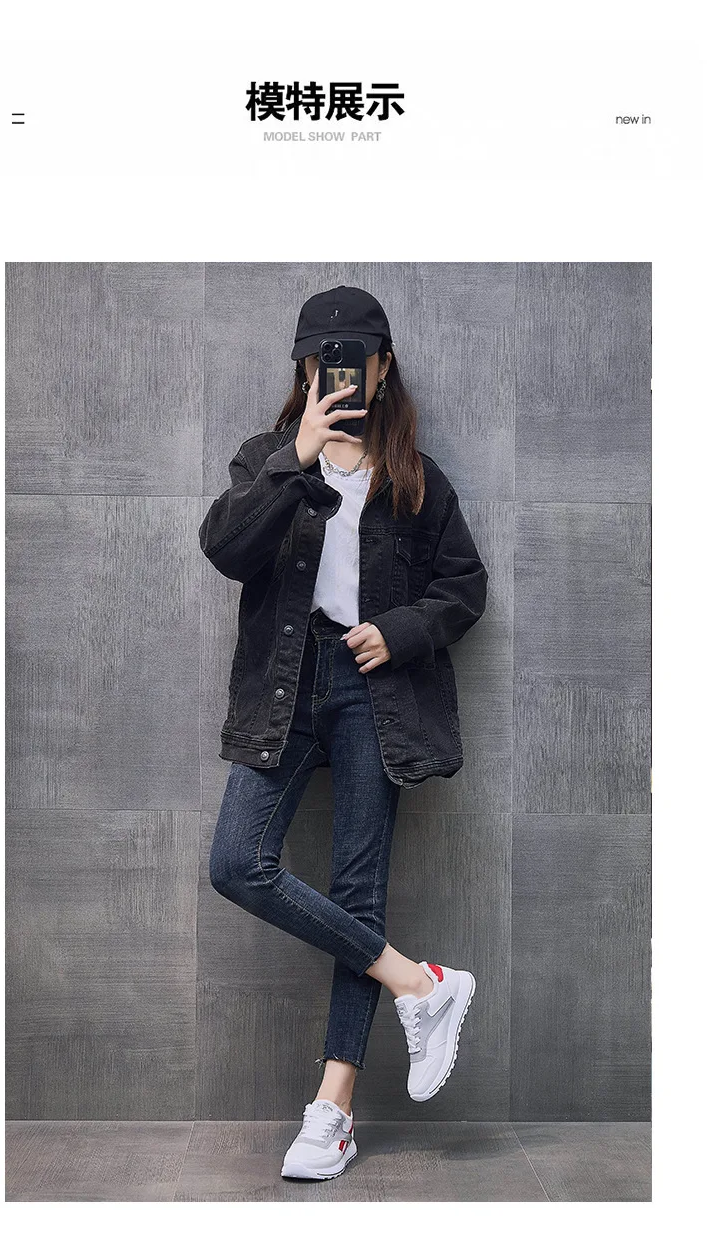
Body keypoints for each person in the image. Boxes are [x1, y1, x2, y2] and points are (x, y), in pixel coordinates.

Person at [199, 286, 488, 1181]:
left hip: (374, 694)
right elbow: (224, 548)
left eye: (355, 358)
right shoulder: (269, 458)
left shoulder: (415, 478)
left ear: (382, 366)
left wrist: (399, 631)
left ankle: (332, 1113)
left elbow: (464, 586)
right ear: (303, 367)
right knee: (237, 862)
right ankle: (419, 984)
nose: (339, 373)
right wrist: (297, 458)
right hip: (285, 688)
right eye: (321, 359)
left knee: (359, 892)